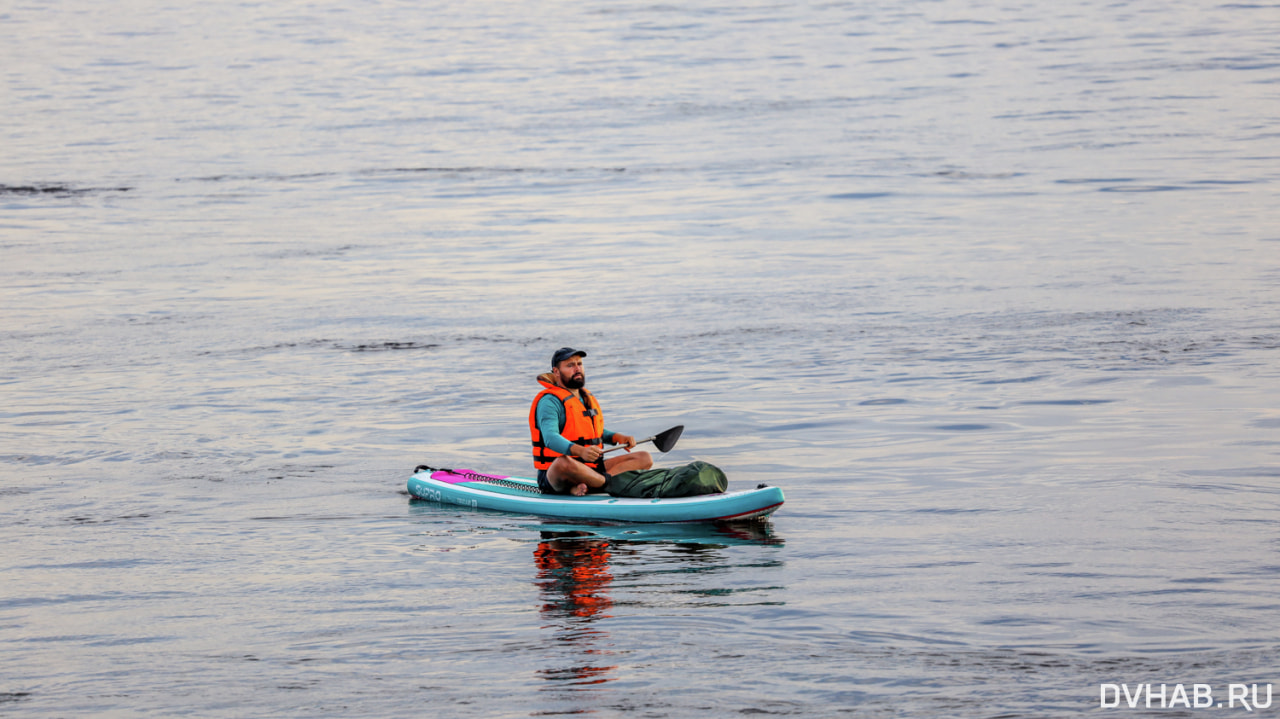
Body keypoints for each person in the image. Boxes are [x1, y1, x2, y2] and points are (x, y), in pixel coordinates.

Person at [529, 347, 653, 496]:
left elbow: (593, 432)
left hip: (592, 469)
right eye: (570, 365)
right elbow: (550, 438)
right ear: (556, 371)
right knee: (563, 463)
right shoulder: (549, 401)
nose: (577, 369)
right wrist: (581, 451)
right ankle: (607, 484)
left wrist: (616, 437)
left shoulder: (585, 397)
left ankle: (591, 484)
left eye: (579, 364)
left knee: (644, 458)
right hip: (557, 473)